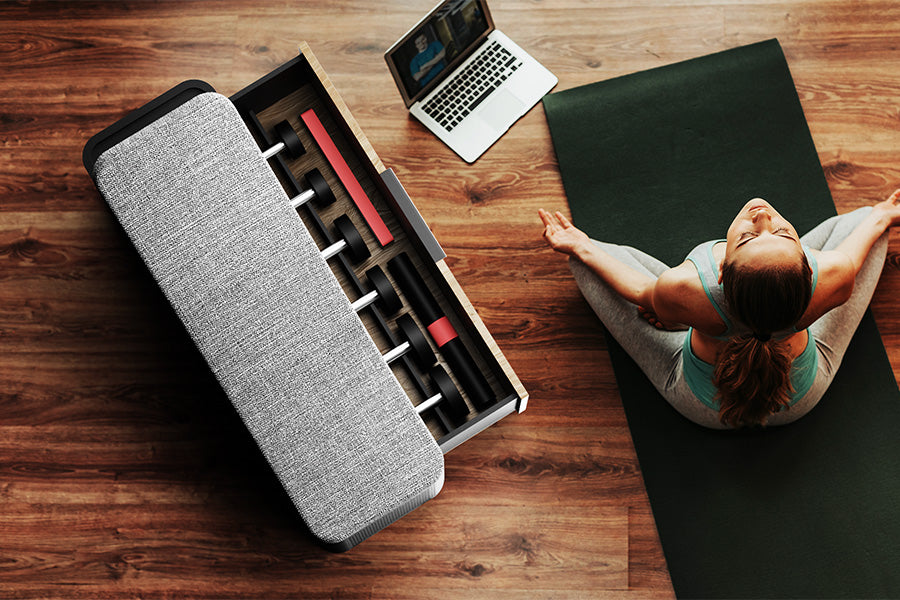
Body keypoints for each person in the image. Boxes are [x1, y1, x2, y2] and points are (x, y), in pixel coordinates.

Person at [539, 190, 900, 429]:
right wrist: (882, 215)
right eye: (772, 234)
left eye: (749, 238)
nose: (762, 218)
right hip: (799, 400)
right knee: (867, 223)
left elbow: (637, 290)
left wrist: (581, 246)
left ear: (723, 272)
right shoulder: (834, 277)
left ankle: (676, 320)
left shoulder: (687, 288)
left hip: (710, 410)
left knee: (587, 261)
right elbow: (853, 256)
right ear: (809, 269)